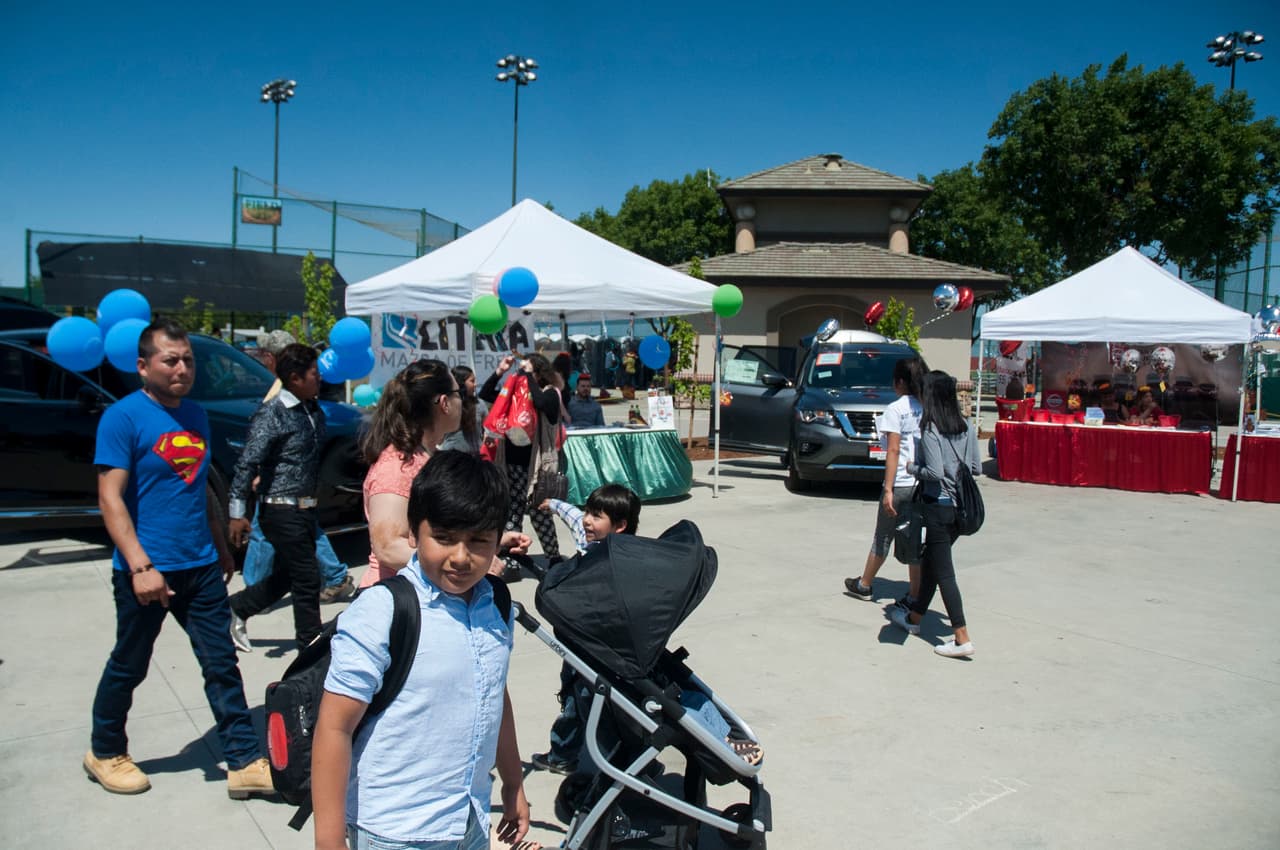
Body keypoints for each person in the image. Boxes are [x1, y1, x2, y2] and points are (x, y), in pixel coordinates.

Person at [86, 318, 273, 798]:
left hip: (200, 566)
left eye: (188, 359)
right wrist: (140, 566)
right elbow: (110, 499)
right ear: (143, 365)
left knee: (221, 663)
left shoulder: (195, 414)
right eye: (171, 359)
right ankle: (105, 751)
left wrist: (217, 540)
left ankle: (244, 760)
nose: (182, 368)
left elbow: (197, 485)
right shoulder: (122, 417)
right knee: (130, 663)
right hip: (147, 569)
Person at [310, 451, 533, 850]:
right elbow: (335, 726)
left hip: (469, 816)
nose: (461, 557)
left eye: (479, 541)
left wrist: (513, 782)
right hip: (396, 831)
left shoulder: (495, 602)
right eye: (444, 538)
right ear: (413, 532)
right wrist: (329, 840)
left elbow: (493, 693)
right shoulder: (384, 610)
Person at [225, 344, 326, 651]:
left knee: (290, 575)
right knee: (308, 577)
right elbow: (248, 461)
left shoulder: (312, 409)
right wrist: (237, 512)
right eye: (313, 374)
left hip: (306, 509)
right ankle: (311, 644)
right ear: (295, 378)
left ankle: (236, 608)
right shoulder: (273, 413)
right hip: (280, 510)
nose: (319, 378)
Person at [242, 332, 354, 604]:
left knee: (262, 529)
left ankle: (253, 590)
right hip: (298, 479)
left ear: (270, 357)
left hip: (283, 479)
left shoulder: (282, 390)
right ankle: (335, 576)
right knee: (305, 526)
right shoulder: (296, 387)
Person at [889, 370, 981, 659]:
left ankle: (961, 636)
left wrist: (912, 468)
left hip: (938, 506)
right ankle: (915, 619)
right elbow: (976, 468)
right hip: (960, 509)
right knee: (931, 562)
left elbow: (935, 472)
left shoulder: (931, 428)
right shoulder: (966, 425)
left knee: (943, 573)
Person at [357, 358, 462, 588]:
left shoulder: (425, 456)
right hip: (394, 601)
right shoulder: (397, 466)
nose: (462, 400)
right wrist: (461, 561)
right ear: (444, 403)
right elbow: (389, 547)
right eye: (458, 392)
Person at [846, 356, 928, 606]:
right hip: (921, 482)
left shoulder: (896, 409)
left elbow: (892, 450)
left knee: (883, 536)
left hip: (901, 481)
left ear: (900, 382)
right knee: (914, 540)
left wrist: (888, 489)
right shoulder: (928, 407)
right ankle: (915, 593)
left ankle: (865, 584)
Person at [479, 353, 563, 576]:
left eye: (530, 371)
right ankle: (512, 556)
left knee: (539, 512)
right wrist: (501, 371)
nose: (523, 375)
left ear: (539, 373)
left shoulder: (550, 393)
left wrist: (528, 378)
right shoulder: (515, 394)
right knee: (512, 510)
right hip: (513, 463)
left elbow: (542, 403)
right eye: (523, 371)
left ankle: (554, 558)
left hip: (537, 465)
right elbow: (485, 394)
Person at [439, 364, 486, 455]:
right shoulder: (447, 403)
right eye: (472, 381)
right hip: (451, 456)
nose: (475, 384)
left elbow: (488, 428)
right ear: (461, 383)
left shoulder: (479, 404)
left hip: (474, 458)